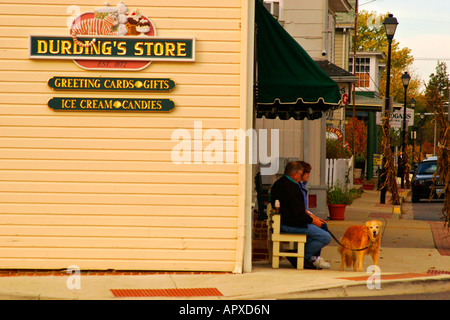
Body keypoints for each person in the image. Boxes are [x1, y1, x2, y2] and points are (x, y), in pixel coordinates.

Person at [270, 161, 331, 269]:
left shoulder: (278, 184)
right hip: (290, 224)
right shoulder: (292, 188)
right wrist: (315, 221)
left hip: (283, 221)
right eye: (300, 174)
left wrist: (313, 219)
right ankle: (302, 256)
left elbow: (297, 211)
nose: (300, 177)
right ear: (295, 174)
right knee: (325, 236)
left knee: (321, 228)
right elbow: (299, 215)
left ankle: (307, 257)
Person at [298, 161, 330, 269]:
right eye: (306, 172)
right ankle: (310, 256)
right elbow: (301, 209)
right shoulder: (298, 188)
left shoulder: (303, 186)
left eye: (309, 172)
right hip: (300, 219)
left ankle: (314, 256)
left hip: (304, 215)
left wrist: (315, 218)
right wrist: (313, 219)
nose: (308, 174)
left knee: (323, 225)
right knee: (322, 229)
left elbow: (305, 209)